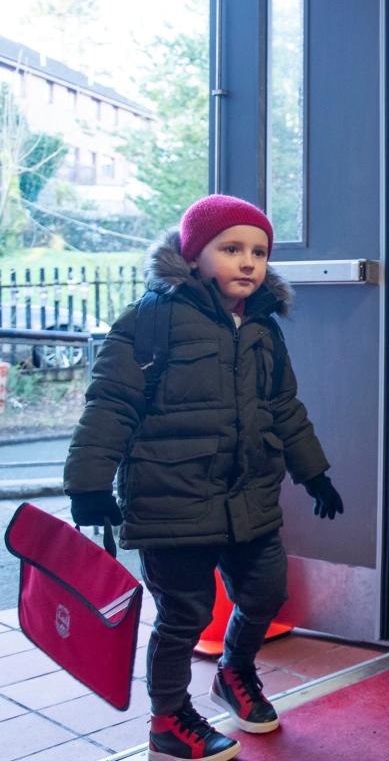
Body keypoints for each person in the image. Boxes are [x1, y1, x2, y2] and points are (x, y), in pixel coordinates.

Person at [64, 194, 344, 761]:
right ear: (194, 257)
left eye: (259, 252)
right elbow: (111, 404)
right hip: (173, 499)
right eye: (231, 249)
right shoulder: (151, 320)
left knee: (266, 592)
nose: (248, 262)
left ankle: (234, 672)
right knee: (183, 615)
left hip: (249, 496)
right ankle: (168, 720)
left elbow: (284, 407)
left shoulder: (263, 327)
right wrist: (88, 484)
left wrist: (313, 472)